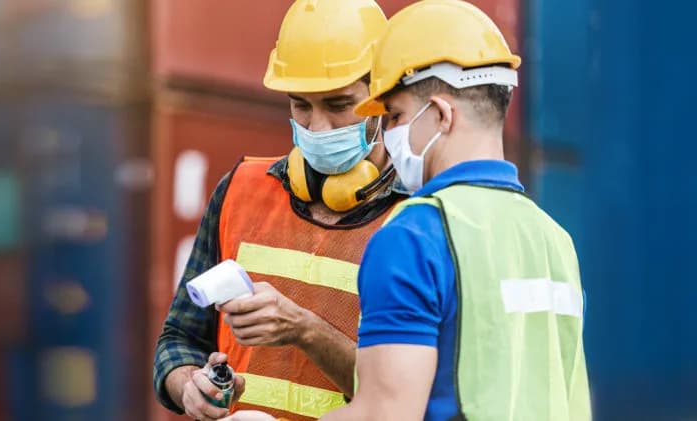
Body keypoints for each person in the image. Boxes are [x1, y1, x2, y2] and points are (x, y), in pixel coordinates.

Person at [222, 1, 592, 420]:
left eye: (394, 115)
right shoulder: (554, 240)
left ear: (440, 114)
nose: (390, 134)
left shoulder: (416, 235)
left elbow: (386, 414)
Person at [151, 1, 405, 420]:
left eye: (338, 104)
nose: (317, 127)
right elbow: (178, 339)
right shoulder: (239, 189)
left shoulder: (418, 219)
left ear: (384, 99)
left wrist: (305, 330)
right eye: (301, 105)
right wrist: (188, 385)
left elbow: (407, 397)